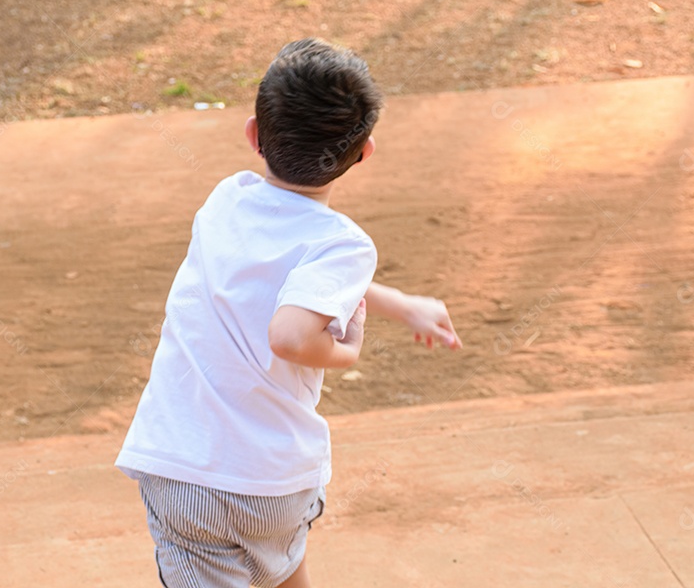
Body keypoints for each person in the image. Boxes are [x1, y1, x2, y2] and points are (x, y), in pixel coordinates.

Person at [116, 38, 462, 588]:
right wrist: (388, 318)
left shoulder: (225, 201)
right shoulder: (343, 244)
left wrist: (347, 348)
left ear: (253, 135)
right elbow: (307, 291)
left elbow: (290, 329)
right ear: (365, 151)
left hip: (189, 473)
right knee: (282, 566)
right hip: (280, 483)